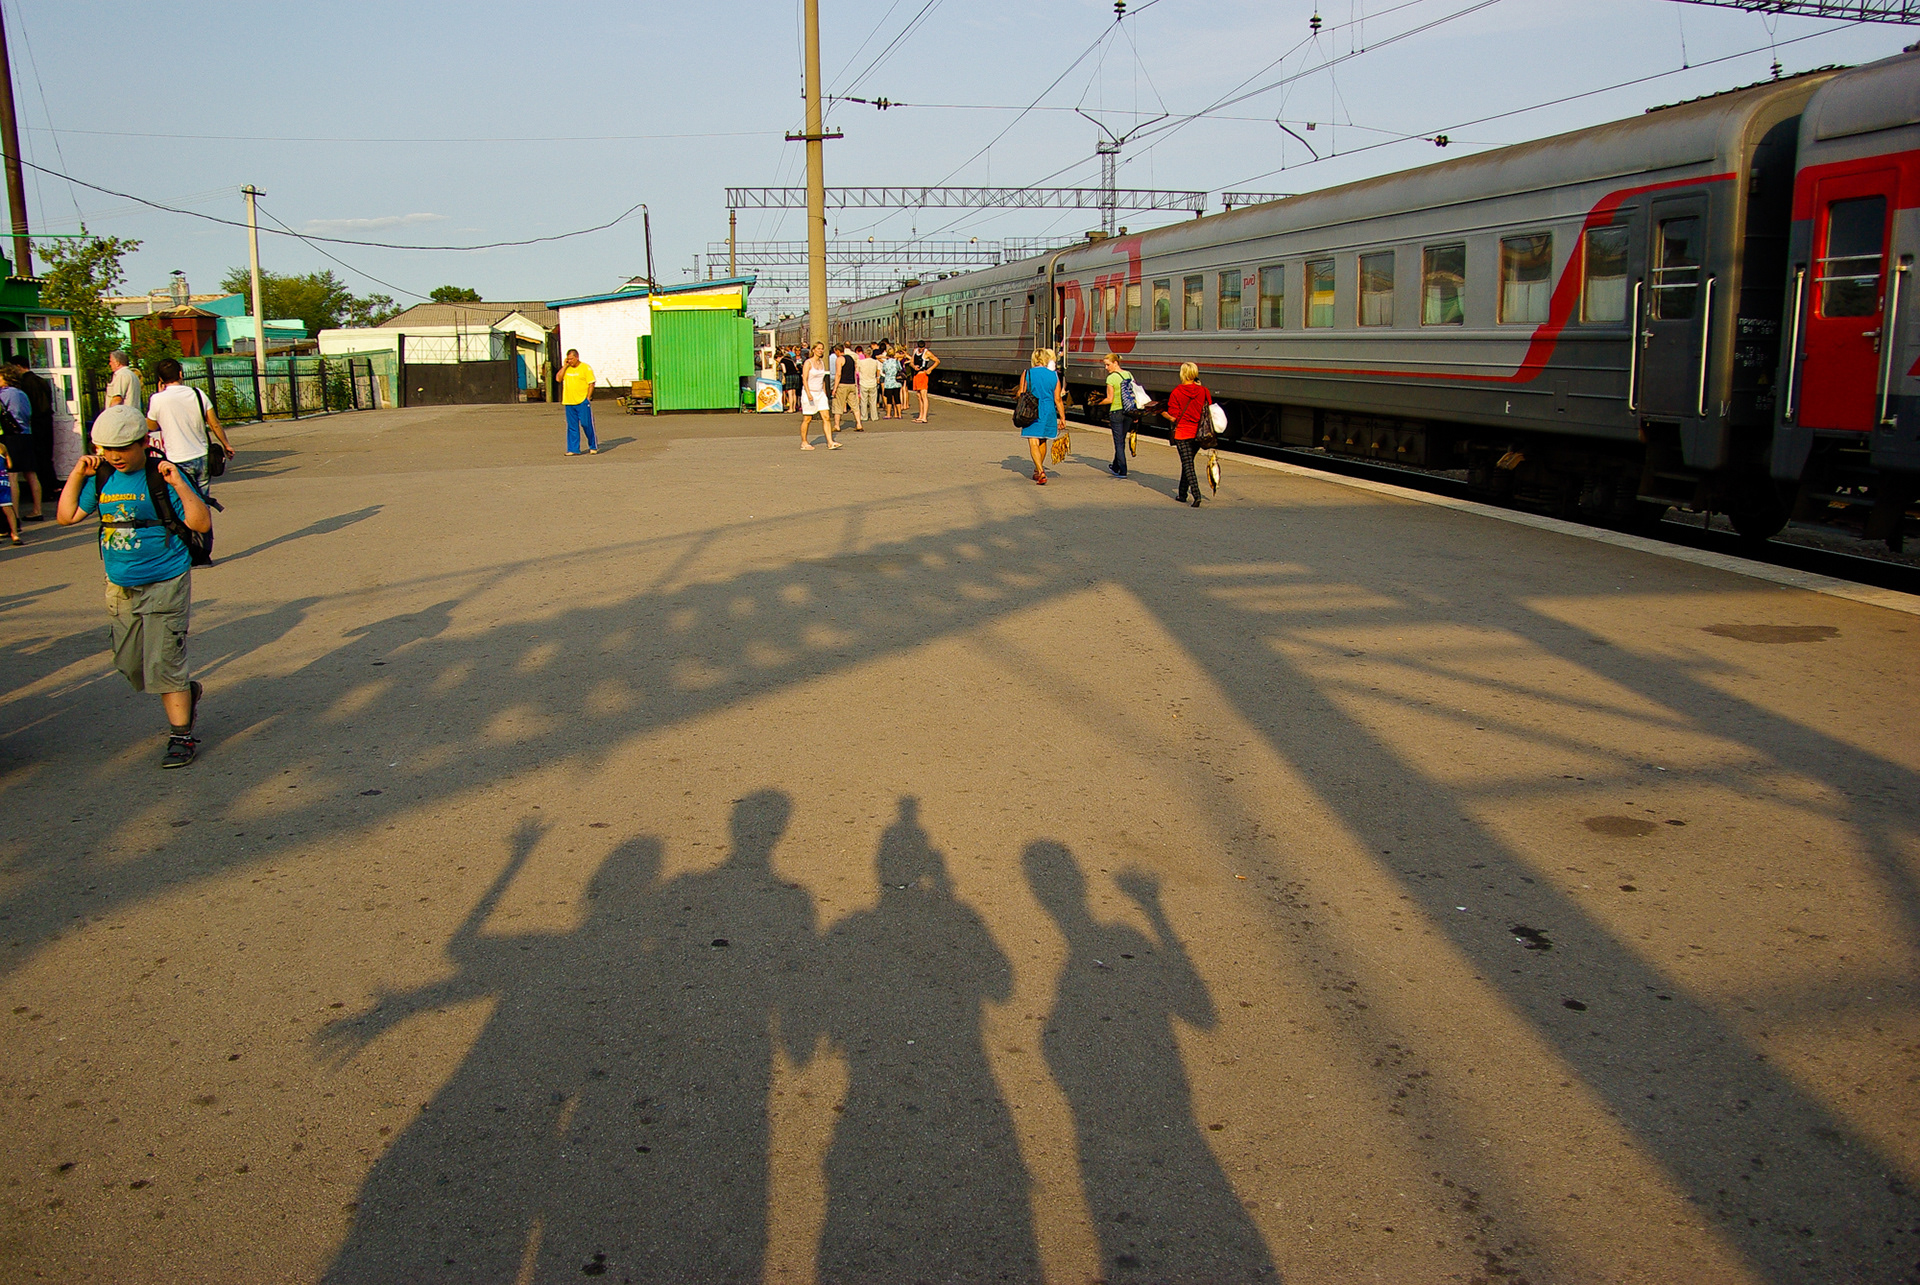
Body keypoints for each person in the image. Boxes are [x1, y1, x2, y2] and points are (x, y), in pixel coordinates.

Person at [56, 404, 213, 768]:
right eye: (107, 449)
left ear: (143, 442)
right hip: (120, 586)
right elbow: (66, 516)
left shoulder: (162, 475)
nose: (115, 456)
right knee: (130, 664)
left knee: (164, 663)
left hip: (166, 581)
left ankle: (181, 736)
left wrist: (178, 482)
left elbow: (201, 523)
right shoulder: (101, 477)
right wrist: (77, 475)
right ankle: (186, 693)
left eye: (123, 448)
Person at [146, 358, 233, 495]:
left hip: (177, 457)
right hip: (202, 454)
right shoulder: (198, 393)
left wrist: (159, 394)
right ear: (180, 374)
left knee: (186, 499)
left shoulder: (157, 399)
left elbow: (151, 425)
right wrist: (226, 445)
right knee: (203, 497)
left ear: (161, 379)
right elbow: (214, 424)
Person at [1162, 361, 1212, 507]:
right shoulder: (1204, 391)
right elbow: (1209, 409)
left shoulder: (1177, 392)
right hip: (1198, 434)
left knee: (1188, 464)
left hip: (1182, 433)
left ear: (1182, 374)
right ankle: (1182, 494)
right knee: (1187, 462)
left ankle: (1196, 495)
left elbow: (1174, 416)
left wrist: (1162, 413)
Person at [1017, 348, 1068, 486]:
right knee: (1043, 440)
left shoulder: (1027, 373)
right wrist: (1062, 418)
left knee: (1033, 440)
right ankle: (1037, 469)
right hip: (1048, 410)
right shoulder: (1054, 375)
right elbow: (1058, 399)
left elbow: (1021, 393)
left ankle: (1040, 471)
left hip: (1032, 410)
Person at [0, 366, 39, 520]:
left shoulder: (4, 394)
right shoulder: (22, 393)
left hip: (11, 437)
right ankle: (37, 510)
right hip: (26, 434)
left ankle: (14, 515)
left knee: (12, 476)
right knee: (31, 474)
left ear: (6, 377)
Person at [1100, 352, 1139, 478]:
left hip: (1116, 412)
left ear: (1115, 363)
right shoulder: (1128, 374)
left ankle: (1123, 470)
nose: (1106, 368)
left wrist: (1097, 402)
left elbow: (1110, 399)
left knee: (1119, 442)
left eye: (1108, 365)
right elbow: (1134, 394)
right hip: (1128, 412)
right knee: (1121, 439)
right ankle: (1115, 466)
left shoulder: (1111, 378)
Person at [799, 342, 840, 450]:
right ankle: (804, 442)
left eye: (822, 349)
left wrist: (824, 394)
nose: (820, 351)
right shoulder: (808, 363)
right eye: (818, 348)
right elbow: (804, 379)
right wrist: (808, 393)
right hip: (810, 392)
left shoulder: (822, 362)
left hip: (820, 393)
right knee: (807, 419)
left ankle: (830, 442)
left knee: (826, 417)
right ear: (813, 350)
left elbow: (823, 380)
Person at [557, 349, 598, 455]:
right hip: (569, 401)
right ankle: (573, 449)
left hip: (582, 401)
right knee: (572, 426)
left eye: (571, 359)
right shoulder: (567, 369)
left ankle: (593, 446)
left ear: (577, 357)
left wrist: (588, 397)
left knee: (586, 424)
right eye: (568, 359)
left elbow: (591, 383)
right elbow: (558, 379)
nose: (570, 361)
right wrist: (564, 366)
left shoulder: (585, 368)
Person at [833, 343, 862, 434]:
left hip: (842, 384)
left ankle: (837, 425)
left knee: (838, 405)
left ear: (838, 351)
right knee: (855, 406)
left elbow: (838, 374)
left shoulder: (839, 359)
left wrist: (835, 388)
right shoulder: (851, 359)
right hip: (851, 384)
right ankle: (859, 424)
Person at [854, 344, 882, 429]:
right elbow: (877, 371)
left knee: (864, 401)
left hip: (863, 383)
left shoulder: (861, 362)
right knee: (873, 401)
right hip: (872, 382)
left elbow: (857, 371)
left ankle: (864, 416)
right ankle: (874, 416)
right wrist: (877, 378)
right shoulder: (875, 362)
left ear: (865, 354)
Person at [910, 341, 939, 422]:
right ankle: (920, 415)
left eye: (922, 348)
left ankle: (924, 417)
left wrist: (930, 369)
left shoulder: (927, 353)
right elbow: (911, 362)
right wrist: (914, 366)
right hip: (916, 375)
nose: (921, 350)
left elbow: (937, 361)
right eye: (920, 348)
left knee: (923, 395)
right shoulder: (915, 351)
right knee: (918, 395)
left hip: (923, 375)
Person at [0, 437, 19, 545]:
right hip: (3, 482)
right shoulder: (2, 447)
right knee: (8, 509)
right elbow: (10, 465)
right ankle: (15, 534)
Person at [880, 346, 903, 420]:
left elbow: (883, 371)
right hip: (896, 382)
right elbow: (900, 369)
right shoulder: (896, 361)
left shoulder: (885, 362)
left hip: (888, 383)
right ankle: (899, 414)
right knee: (897, 399)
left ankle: (888, 414)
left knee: (889, 399)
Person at [780, 346, 801, 413]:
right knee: (794, 393)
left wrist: (783, 377)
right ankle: (794, 408)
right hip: (796, 376)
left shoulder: (782, 361)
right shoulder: (791, 360)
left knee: (790, 393)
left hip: (789, 376)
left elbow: (784, 371)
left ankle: (790, 408)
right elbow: (795, 367)